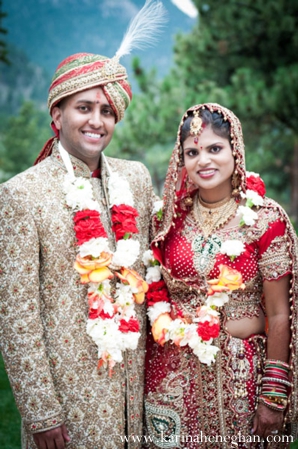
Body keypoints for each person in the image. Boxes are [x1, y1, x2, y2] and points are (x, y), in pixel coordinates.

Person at [0, 1, 167, 447]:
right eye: (83, 107)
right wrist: (41, 413)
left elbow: (169, 242)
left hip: (135, 390)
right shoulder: (22, 194)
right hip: (68, 398)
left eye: (107, 111)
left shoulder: (134, 176)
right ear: (57, 115)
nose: (97, 121)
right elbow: (17, 316)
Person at [143, 103, 298, 448]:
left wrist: (273, 395)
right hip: (171, 378)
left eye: (215, 148)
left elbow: (278, 313)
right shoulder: (166, 221)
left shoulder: (263, 219)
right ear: (181, 160)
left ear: (235, 150)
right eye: (192, 152)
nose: (204, 160)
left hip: (241, 378)